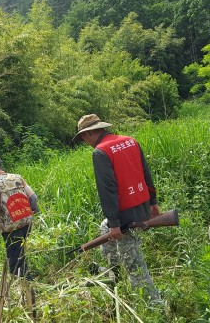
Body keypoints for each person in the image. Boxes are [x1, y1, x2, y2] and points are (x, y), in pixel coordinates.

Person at [73, 113, 161, 301]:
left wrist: (115, 223)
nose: (85, 141)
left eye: (83, 137)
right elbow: (146, 173)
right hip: (142, 204)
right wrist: (153, 203)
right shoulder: (130, 141)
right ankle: (114, 273)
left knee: (134, 264)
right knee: (104, 228)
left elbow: (108, 190)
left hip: (125, 214)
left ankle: (154, 304)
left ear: (88, 134)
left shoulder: (100, 151)